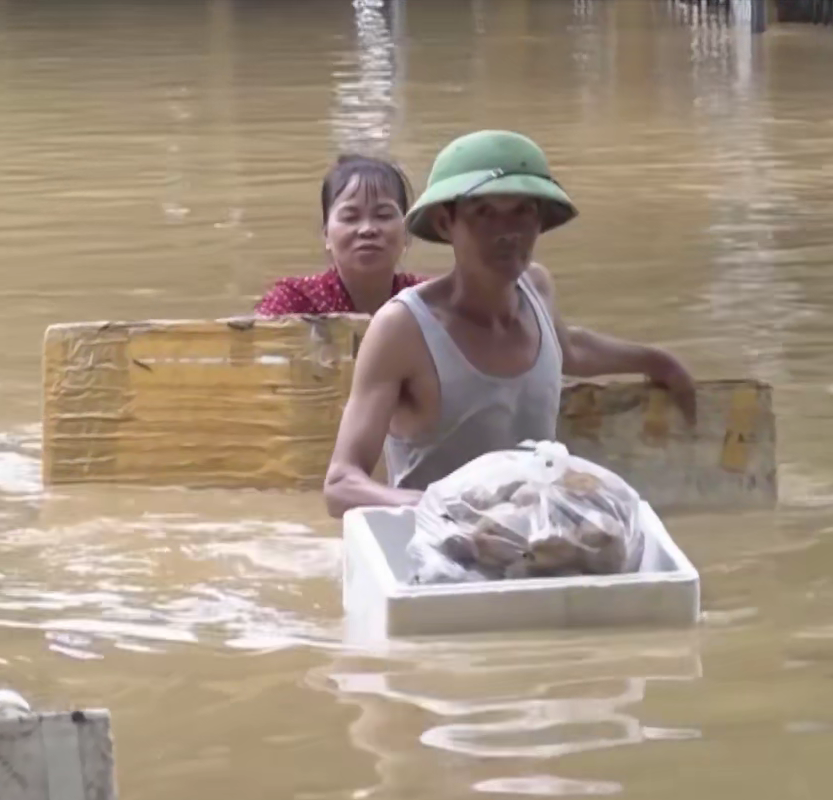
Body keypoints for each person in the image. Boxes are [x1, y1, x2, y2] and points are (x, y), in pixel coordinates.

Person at [323, 130, 697, 518]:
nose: (508, 232)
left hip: (539, 538)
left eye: (523, 211)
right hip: (439, 551)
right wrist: (441, 508)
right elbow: (340, 484)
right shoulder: (403, 327)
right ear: (445, 221)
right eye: (484, 213)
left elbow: (570, 350)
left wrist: (657, 362)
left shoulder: (536, 287)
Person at [254, 153, 425, 317]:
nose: (367, 229)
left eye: (383, 215)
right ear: (326, 234)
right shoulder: (294, 302)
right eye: (350, 217)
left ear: (406, 232)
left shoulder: (429, 300)